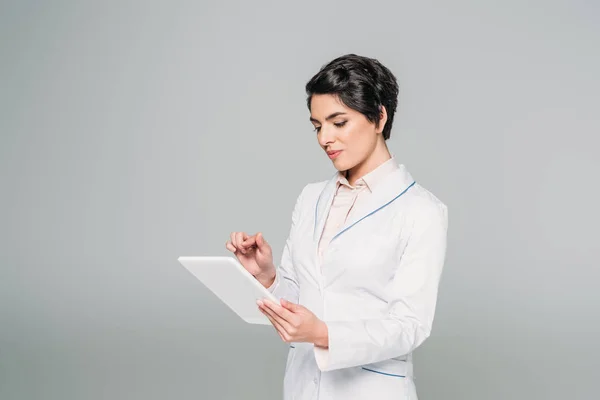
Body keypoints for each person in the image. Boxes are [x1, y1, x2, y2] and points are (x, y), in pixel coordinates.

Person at [225, 54, 448, 400]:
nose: (324, 138)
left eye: (338, 122)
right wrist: (267, 278)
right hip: (303, 387)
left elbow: (409, 326)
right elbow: (300, 303)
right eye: (317, 126)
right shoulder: (311, 197)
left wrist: (324, 334)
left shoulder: (422, 210)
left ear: (378, 117)